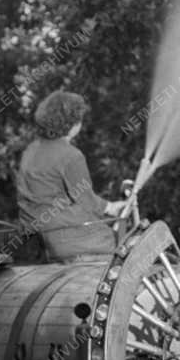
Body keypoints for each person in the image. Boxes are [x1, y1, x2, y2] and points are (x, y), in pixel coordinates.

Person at [16, 90, 126, 262]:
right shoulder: (71, 156)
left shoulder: (30, 150)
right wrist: (111, 207)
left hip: (44, 240)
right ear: (73, 124)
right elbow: (86, 201)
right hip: (74, 239)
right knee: (125, 244)